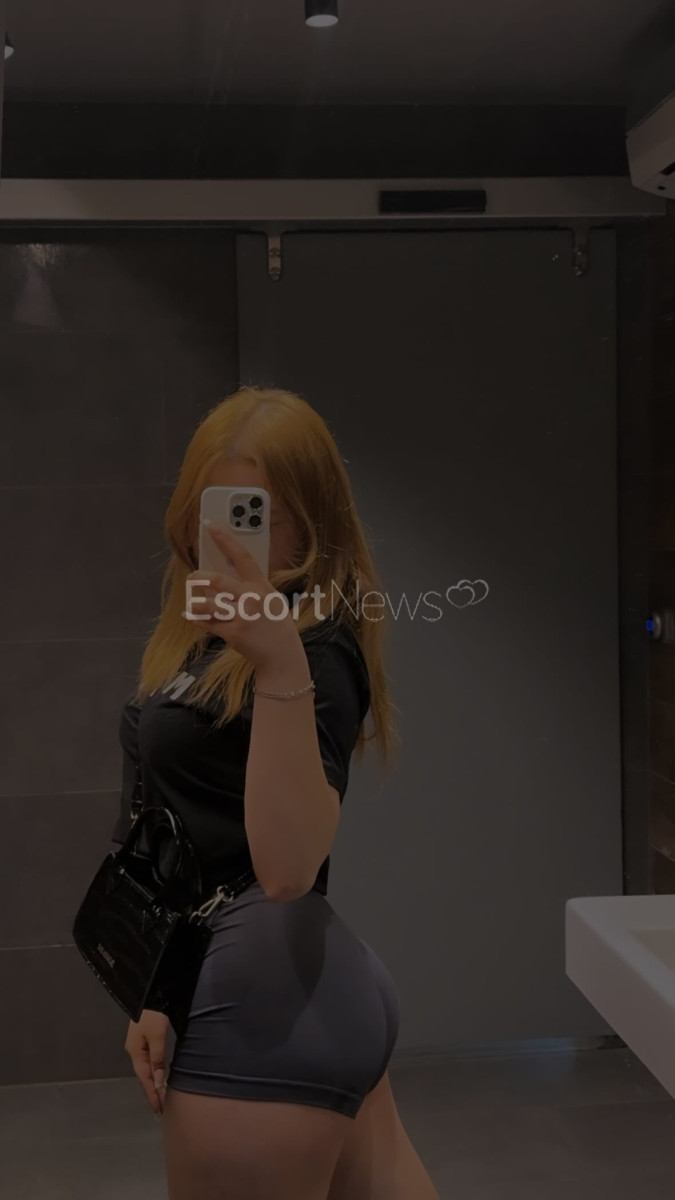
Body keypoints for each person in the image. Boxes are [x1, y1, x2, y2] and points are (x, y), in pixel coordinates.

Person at [116, 386, 441, 1199]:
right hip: (279, 985)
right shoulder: (194, 639)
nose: (228, 536)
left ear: (309, 526)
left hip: (259, 1005)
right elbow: (169, 840)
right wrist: (155, 992)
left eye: (256, 513)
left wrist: (278, 662)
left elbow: (288, 868)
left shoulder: (314, 650)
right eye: (213, 509)